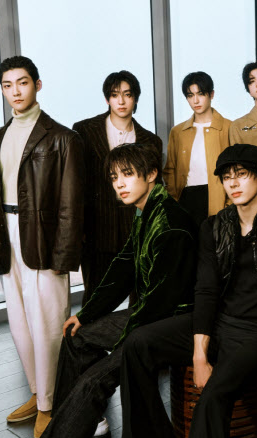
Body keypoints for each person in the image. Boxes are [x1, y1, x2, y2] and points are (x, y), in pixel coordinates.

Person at [119, 144, 257, 438]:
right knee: (137, 344)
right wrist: (199, 355)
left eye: (242, 174)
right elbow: (206, 290)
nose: (233, 183)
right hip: (219, 322)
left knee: (214, 394)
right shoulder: (214, 226)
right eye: (226, 177)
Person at [36, 143, 197, 438]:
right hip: (149, 315)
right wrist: (86, 315)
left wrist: (122, 345)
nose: (119, 184)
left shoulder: (170, 223)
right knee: (75, 336)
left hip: (174, 322)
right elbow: (122, 268)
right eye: (113, 177)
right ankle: (79, 424)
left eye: (127, 174)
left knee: (93, 380)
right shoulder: (145, 212)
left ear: (151, 174)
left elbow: (162, 302)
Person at [0, 56, 84, 438]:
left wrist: (64, 254)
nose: (15, 91)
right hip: (6, 232)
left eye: (22, 83)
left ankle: (49, 404)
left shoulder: (62, 138)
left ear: (37, 84)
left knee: (48, 324)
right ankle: (39, 393)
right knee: (19, 323)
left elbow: (71, 203)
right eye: (7, 85)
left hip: (43, 235)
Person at [73, 70, 162, 307]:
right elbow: (76, 183)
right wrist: (78, 226)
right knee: (95, 298)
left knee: (141, 297)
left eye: (127, 95)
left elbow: (155, 190)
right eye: (115, 95)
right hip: (97, 228)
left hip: (136, 227)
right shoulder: (85, 131)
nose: (121, 101)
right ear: (107, 99)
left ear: (135, 98)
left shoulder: (151, 141)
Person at [163, 71, 231, 225]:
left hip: (217, 198)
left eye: (200, 94)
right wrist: (174, 200)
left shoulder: (228, 127)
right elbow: (170, 170)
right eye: (190, 95)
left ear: (211, 94)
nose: (195, 100)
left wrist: (229, 204)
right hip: (186, 198)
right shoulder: (177, 132)